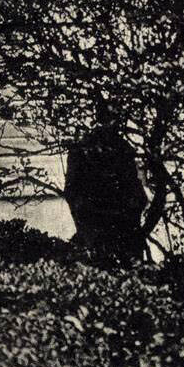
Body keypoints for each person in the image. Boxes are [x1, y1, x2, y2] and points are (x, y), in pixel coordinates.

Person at [64, 110, 148, 265]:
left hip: (122, 227)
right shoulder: (82, 150)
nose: (113, 125)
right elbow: (73, 192)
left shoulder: (123, 149)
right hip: (96, 226)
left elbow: (137, 193)